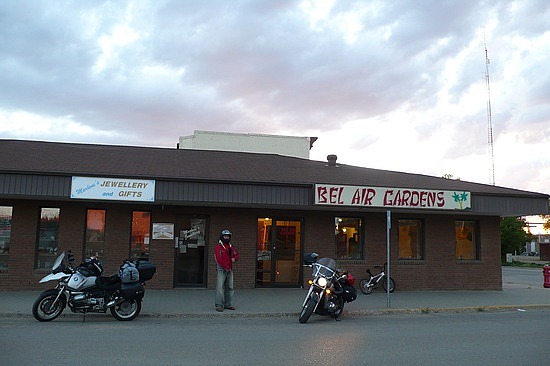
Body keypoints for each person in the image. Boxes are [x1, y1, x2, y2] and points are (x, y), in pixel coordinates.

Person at [214, 229, 239, 312]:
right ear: (222, 237)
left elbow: (237, 255)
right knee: (220, 288)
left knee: (230, 287)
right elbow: (218, 259)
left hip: (230, 269)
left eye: (227, 236)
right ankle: (219, 305)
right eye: (225, 236)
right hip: (221, 270)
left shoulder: (231, 247)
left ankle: (228, 304)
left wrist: (234, 259)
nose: (226, 237)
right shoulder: (218, 247)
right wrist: (225, 267)